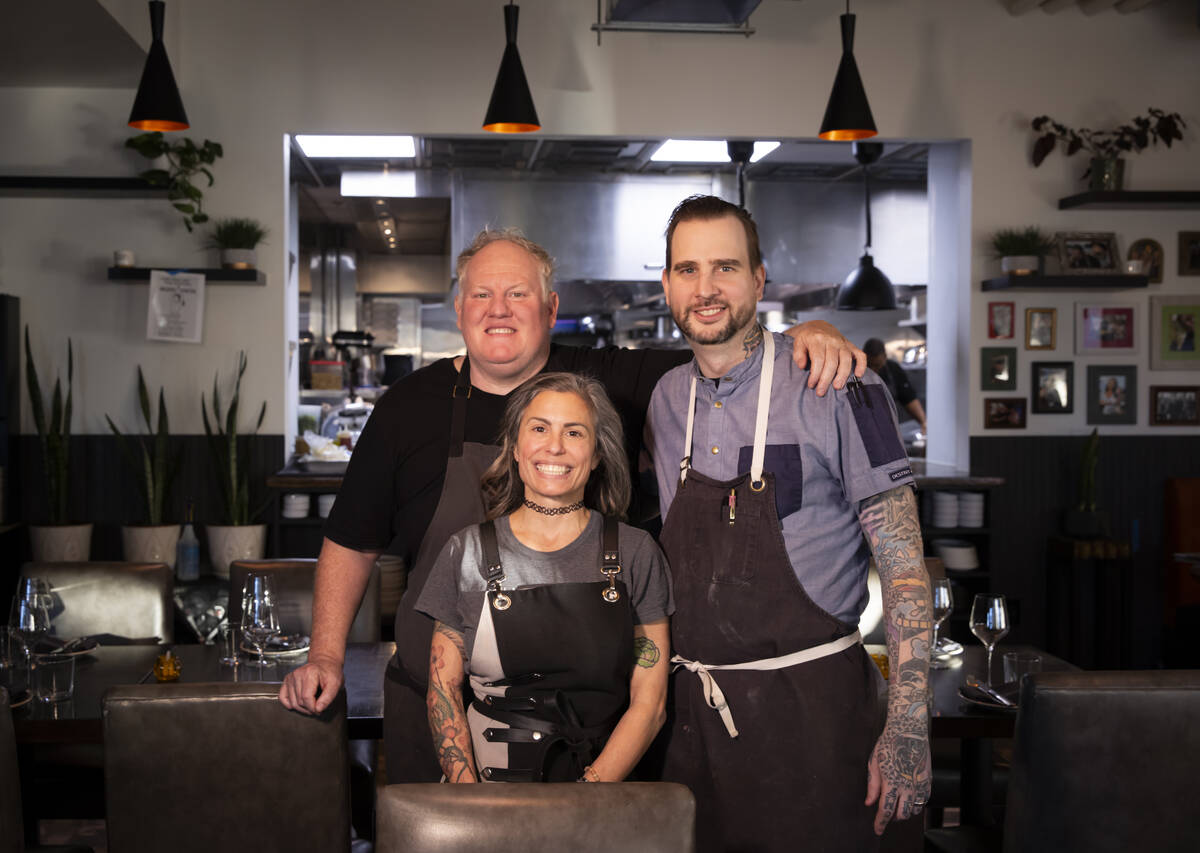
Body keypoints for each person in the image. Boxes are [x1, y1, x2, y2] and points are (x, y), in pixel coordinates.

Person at [277, 226, 866, 783]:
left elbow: (727, 352)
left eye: (517, 293)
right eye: (481, 294)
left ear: (550, 308)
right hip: (437, 706)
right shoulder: (407, 408)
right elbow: (351, 541)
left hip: (591, 726)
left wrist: (803, 336)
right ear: (459, 309)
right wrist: (325, 656)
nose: (498, 309)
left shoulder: (606, 380)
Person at [643, 195, 931, 851]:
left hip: (815, 725)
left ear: (758, 279)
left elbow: (905, 569)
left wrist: (910, 725)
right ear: (666, 285)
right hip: (692, 730)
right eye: (687, 269)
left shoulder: (843, 386)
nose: (705, 288)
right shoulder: (665, 400)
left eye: (725, 267)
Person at [415, 373, 671, 783]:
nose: (555, 446)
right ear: (515, 448)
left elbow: (650, 703)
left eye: (574, 432)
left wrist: (587, 797)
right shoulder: (466, 552)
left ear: (597, 453)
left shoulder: (635, 552)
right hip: (487, 792)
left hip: (602, 792)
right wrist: (470, 799)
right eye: (539, 429)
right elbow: (443, 691)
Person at [863, 337, 927, 434]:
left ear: (884, 357)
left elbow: (908, 398)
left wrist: (923, 422)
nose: (873, 370)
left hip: (890, 425)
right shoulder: (855, 372)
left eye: (877, 365)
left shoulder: (893, 369)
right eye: (870, 365)